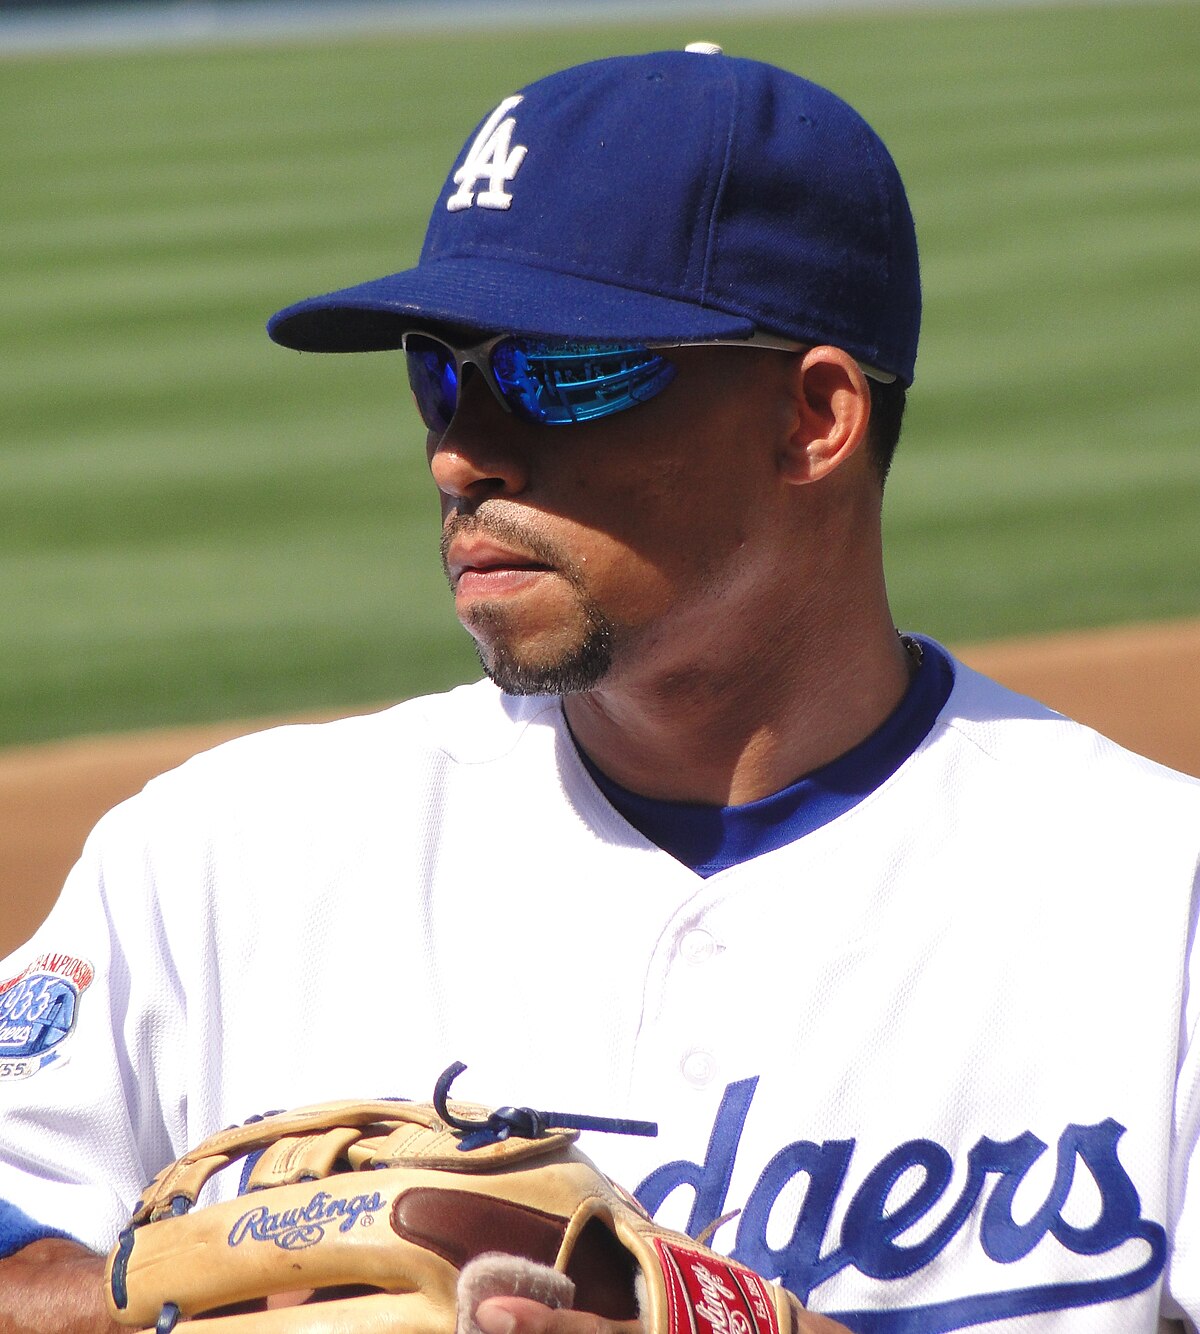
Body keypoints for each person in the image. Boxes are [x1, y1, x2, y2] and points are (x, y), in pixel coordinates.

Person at [0, 43, 1197, 1334]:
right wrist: (129, 1305)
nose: (464, 449)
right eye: (437, 372)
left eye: (559, 373)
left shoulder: (1155, 899)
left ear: (815, 418)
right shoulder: (221, 857)